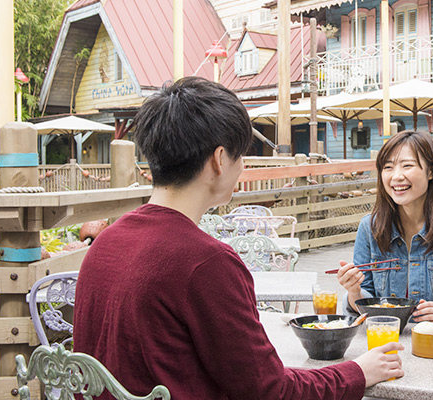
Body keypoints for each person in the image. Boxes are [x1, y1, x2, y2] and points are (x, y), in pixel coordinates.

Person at [73, 77, 403, 399]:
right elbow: (270, 390)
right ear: (219, 160)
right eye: (240, 154)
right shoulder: (206, 262)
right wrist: (358, 371)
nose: (242, 165)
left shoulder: (105, 244)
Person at [336, 130, 433, 326]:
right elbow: (365, 300)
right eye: (388, 167)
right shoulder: (369, 227)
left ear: (430, 171)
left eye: (407, 165)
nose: (396, 176)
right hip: (383, 339)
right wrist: (354, 291)